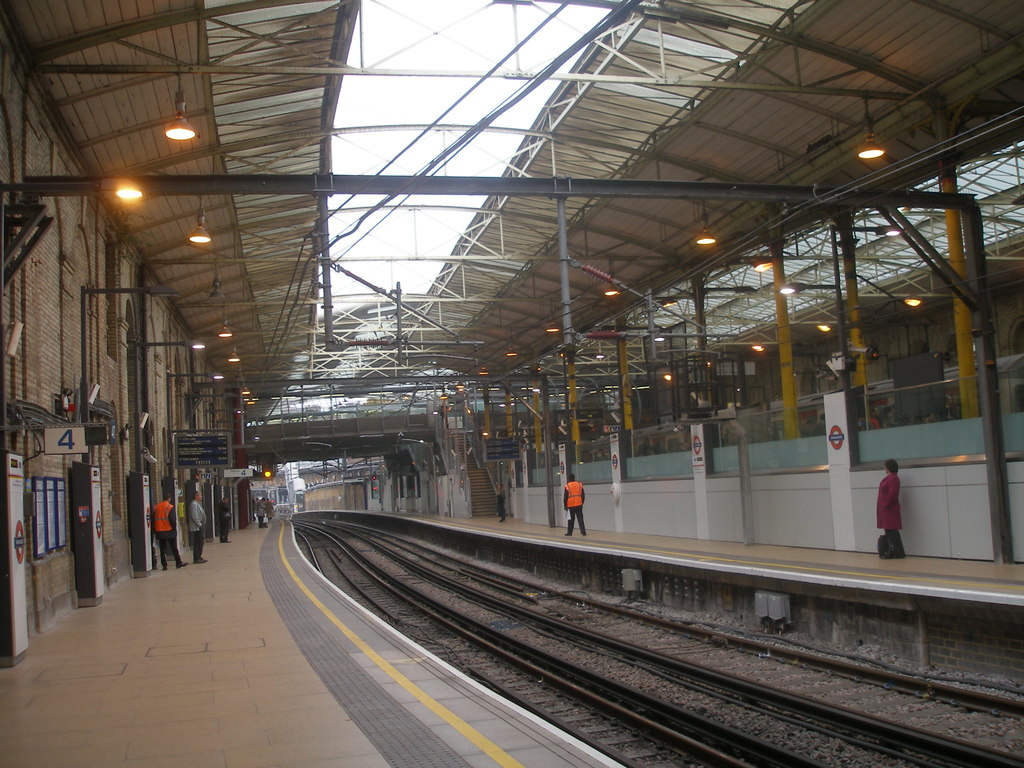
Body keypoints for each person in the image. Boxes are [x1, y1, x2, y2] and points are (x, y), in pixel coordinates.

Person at [876, 458, 904, 559]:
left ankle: (898, 552)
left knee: (892, 531)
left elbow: (892, 494)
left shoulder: (893, 479)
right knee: (889, 531)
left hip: (889, 510)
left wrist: (885, 504)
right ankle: (893, 551)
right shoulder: (889, 478)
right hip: (886, 510)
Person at [153, 492, 187, 570]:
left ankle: (164, 565)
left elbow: (153, 519)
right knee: (174, 547)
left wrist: (155, 530)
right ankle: (178, 562)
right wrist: (174, 528)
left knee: (162, 549)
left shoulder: (157, 507)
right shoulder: (169, 506)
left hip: (159, 530)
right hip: (169, 530)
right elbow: (172, 519)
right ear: (169, 498)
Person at [188, 491, 208, 564]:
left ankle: (199, 556)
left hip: (199, 525)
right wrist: (200, 525)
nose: (201, 497)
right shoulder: (193, 504)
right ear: (196, 496)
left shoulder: (197, 504)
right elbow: (194, 516)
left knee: (200, 541)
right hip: (197, 527)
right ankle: (196, 557)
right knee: (198, 542)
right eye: (200, 495)